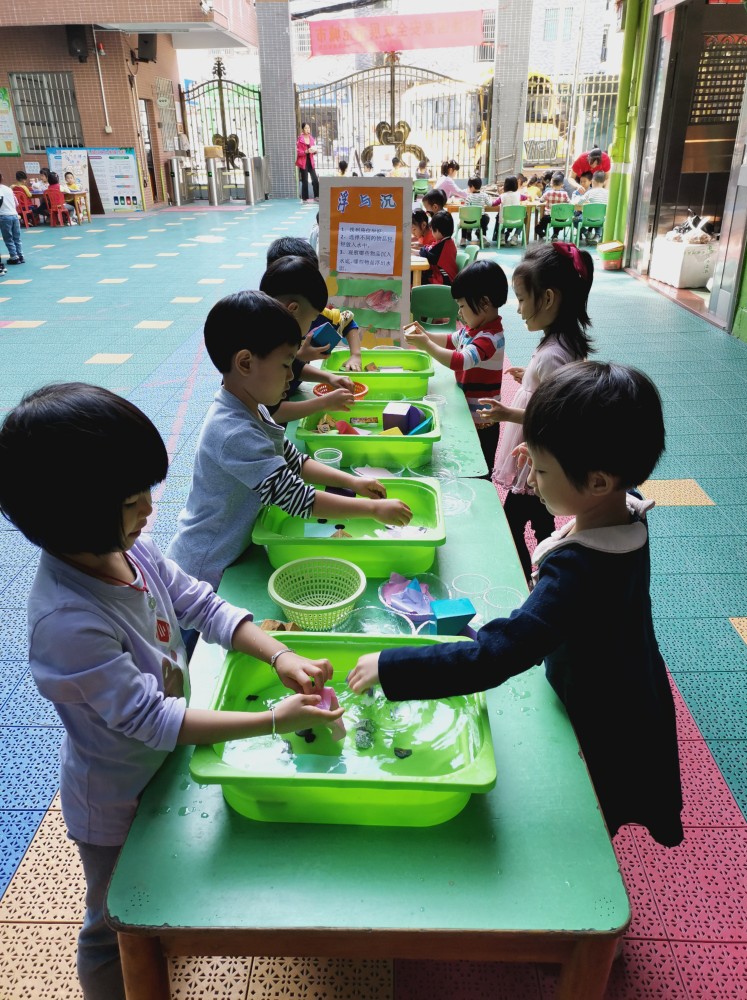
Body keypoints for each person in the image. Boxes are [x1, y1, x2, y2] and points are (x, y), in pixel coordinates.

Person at [0, 382, 346, 1000]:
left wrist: (280, 654)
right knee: (112, 925)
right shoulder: (66, 622)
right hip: (113, 799)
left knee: (156, 894)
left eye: (146, 493)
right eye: (131, 501)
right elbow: (153, 720)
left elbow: (201, 603)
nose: (149, 510)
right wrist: (275, 721)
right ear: (72, 513)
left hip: (160, 767)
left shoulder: (132, 551)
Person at [348, 360, 685, 850]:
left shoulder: (578, 575)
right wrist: (547, 454)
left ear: (597, 482)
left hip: (603, 711)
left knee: (595, 800)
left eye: (541, 470)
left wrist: (391, 666)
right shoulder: (625, 506)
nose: (530, 474)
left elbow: (496, 654)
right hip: (627, 677)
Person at [166, 291, 412, 592]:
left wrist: (354, 483)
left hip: (232, 553)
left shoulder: (252, 408)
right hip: (205, 570)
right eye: (286, 365)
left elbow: (294, 462)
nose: (291, 377)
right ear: (245, 363)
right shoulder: (233, 431)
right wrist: (372, 510)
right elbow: (297, 498)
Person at [481, 242, 594, 581]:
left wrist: (506, 414)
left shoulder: (553, 355)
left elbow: (555, 418)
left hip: (535, 459)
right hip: (537, 457)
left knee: (514, 520)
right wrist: (528, 378)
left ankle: (524, 577)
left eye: (521, 299)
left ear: (547, 298)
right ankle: (546, 572)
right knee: (541, 519)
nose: (518, 310)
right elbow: (550, 391)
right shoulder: (560, 343)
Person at [405, 259, 507, 475]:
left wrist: (427, 345)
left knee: (480, 471)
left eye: (462, 306)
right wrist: (426, 335)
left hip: (483, 422)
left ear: (484, 303)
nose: (459, 313)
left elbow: (461, 360)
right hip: (468, 412)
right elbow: (451, 340)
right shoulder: (473, 329)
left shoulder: (490, 337)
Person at [258, 255, 356, 424]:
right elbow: (271, 413)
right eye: (312, 318)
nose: (312, 324)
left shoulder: (272, 328)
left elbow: (293, 365)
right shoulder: (265, 345)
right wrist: (324, 402)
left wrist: (329, 377)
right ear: (293, 309)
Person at [266, 236, 364, 373]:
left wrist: (355, 355)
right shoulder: (262, 326)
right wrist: (299, 357)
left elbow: (347, 321)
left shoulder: (312, 311)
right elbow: (265, 371)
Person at [416, 209, 457, 286]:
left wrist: (422, 250)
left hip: (444, 281)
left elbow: (427, 255)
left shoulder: (443, 245)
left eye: (432, 230)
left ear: (437, 231)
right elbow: (429, 248)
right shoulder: (447, 241)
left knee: (416, 278)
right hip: (444, 278)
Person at [574, 170, 609, 244]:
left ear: (592, 181)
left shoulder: (590, 192)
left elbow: (578, 202)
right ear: (604, 182)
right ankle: (597, 235)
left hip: (587, 219)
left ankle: (586, 233)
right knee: (598, 216)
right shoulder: (608, 193)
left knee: (574, 220)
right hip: (601, 219)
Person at [535, 171, 569, 240]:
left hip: (548, 217)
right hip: (560, 218)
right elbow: (569, 203)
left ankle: (543, 235)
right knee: (558, 220)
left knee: (537, 227)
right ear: (562, 185)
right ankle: (555, 234)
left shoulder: (548, 193)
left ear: (551, 184)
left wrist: (537, 198)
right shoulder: (565, 194)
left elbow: (541, 200)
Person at [460, 176, 492, 246]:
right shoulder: (484, 195)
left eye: (469, 187)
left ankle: (463, 238)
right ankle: (483, 236)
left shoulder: (469, 196)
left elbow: (465, 208)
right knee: (486, 217)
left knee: (463, 218)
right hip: (480, 221)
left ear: (472, 187)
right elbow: (490, 204)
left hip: (470, 221)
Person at [0, 173, 24, 265]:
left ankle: (14, 256)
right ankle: (20, 256)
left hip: (4, 216)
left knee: (8, 238)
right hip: (14, 214)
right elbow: (16, 202)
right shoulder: (8, 189)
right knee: (17, 237)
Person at [491, 175, 521, 245]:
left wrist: (500, 194)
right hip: (517, 220)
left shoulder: (502, 196)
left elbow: (494, 204)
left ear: (505, 185)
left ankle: (502, 238)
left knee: (499, 218)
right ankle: (515, 237)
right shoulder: (519, 195)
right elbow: (525, 197)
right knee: (524, 219)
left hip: (504, 221)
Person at [296, 123, 319, 203]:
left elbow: (313, 149)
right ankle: (305, 198)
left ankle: (317, 196)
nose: (307, 129)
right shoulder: (300, 139)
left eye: (308, 128)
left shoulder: (311, 138)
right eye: (306, 128)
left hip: (310, 161)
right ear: (302, 129)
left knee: (315, 179)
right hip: (303, 162)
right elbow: (298, 153)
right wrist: (306, 151)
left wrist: (315, 151)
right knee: (305, 180)